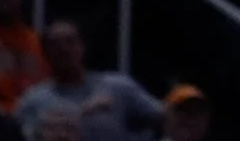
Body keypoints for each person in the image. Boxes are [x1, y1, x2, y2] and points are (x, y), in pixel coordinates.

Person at [10, 21, 162, 141]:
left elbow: (166, 118)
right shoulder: (33, 100)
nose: (64, 49)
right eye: (55, 44)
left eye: (70, 42)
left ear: (82, 46)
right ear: (45, 53)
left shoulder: (118, 87)